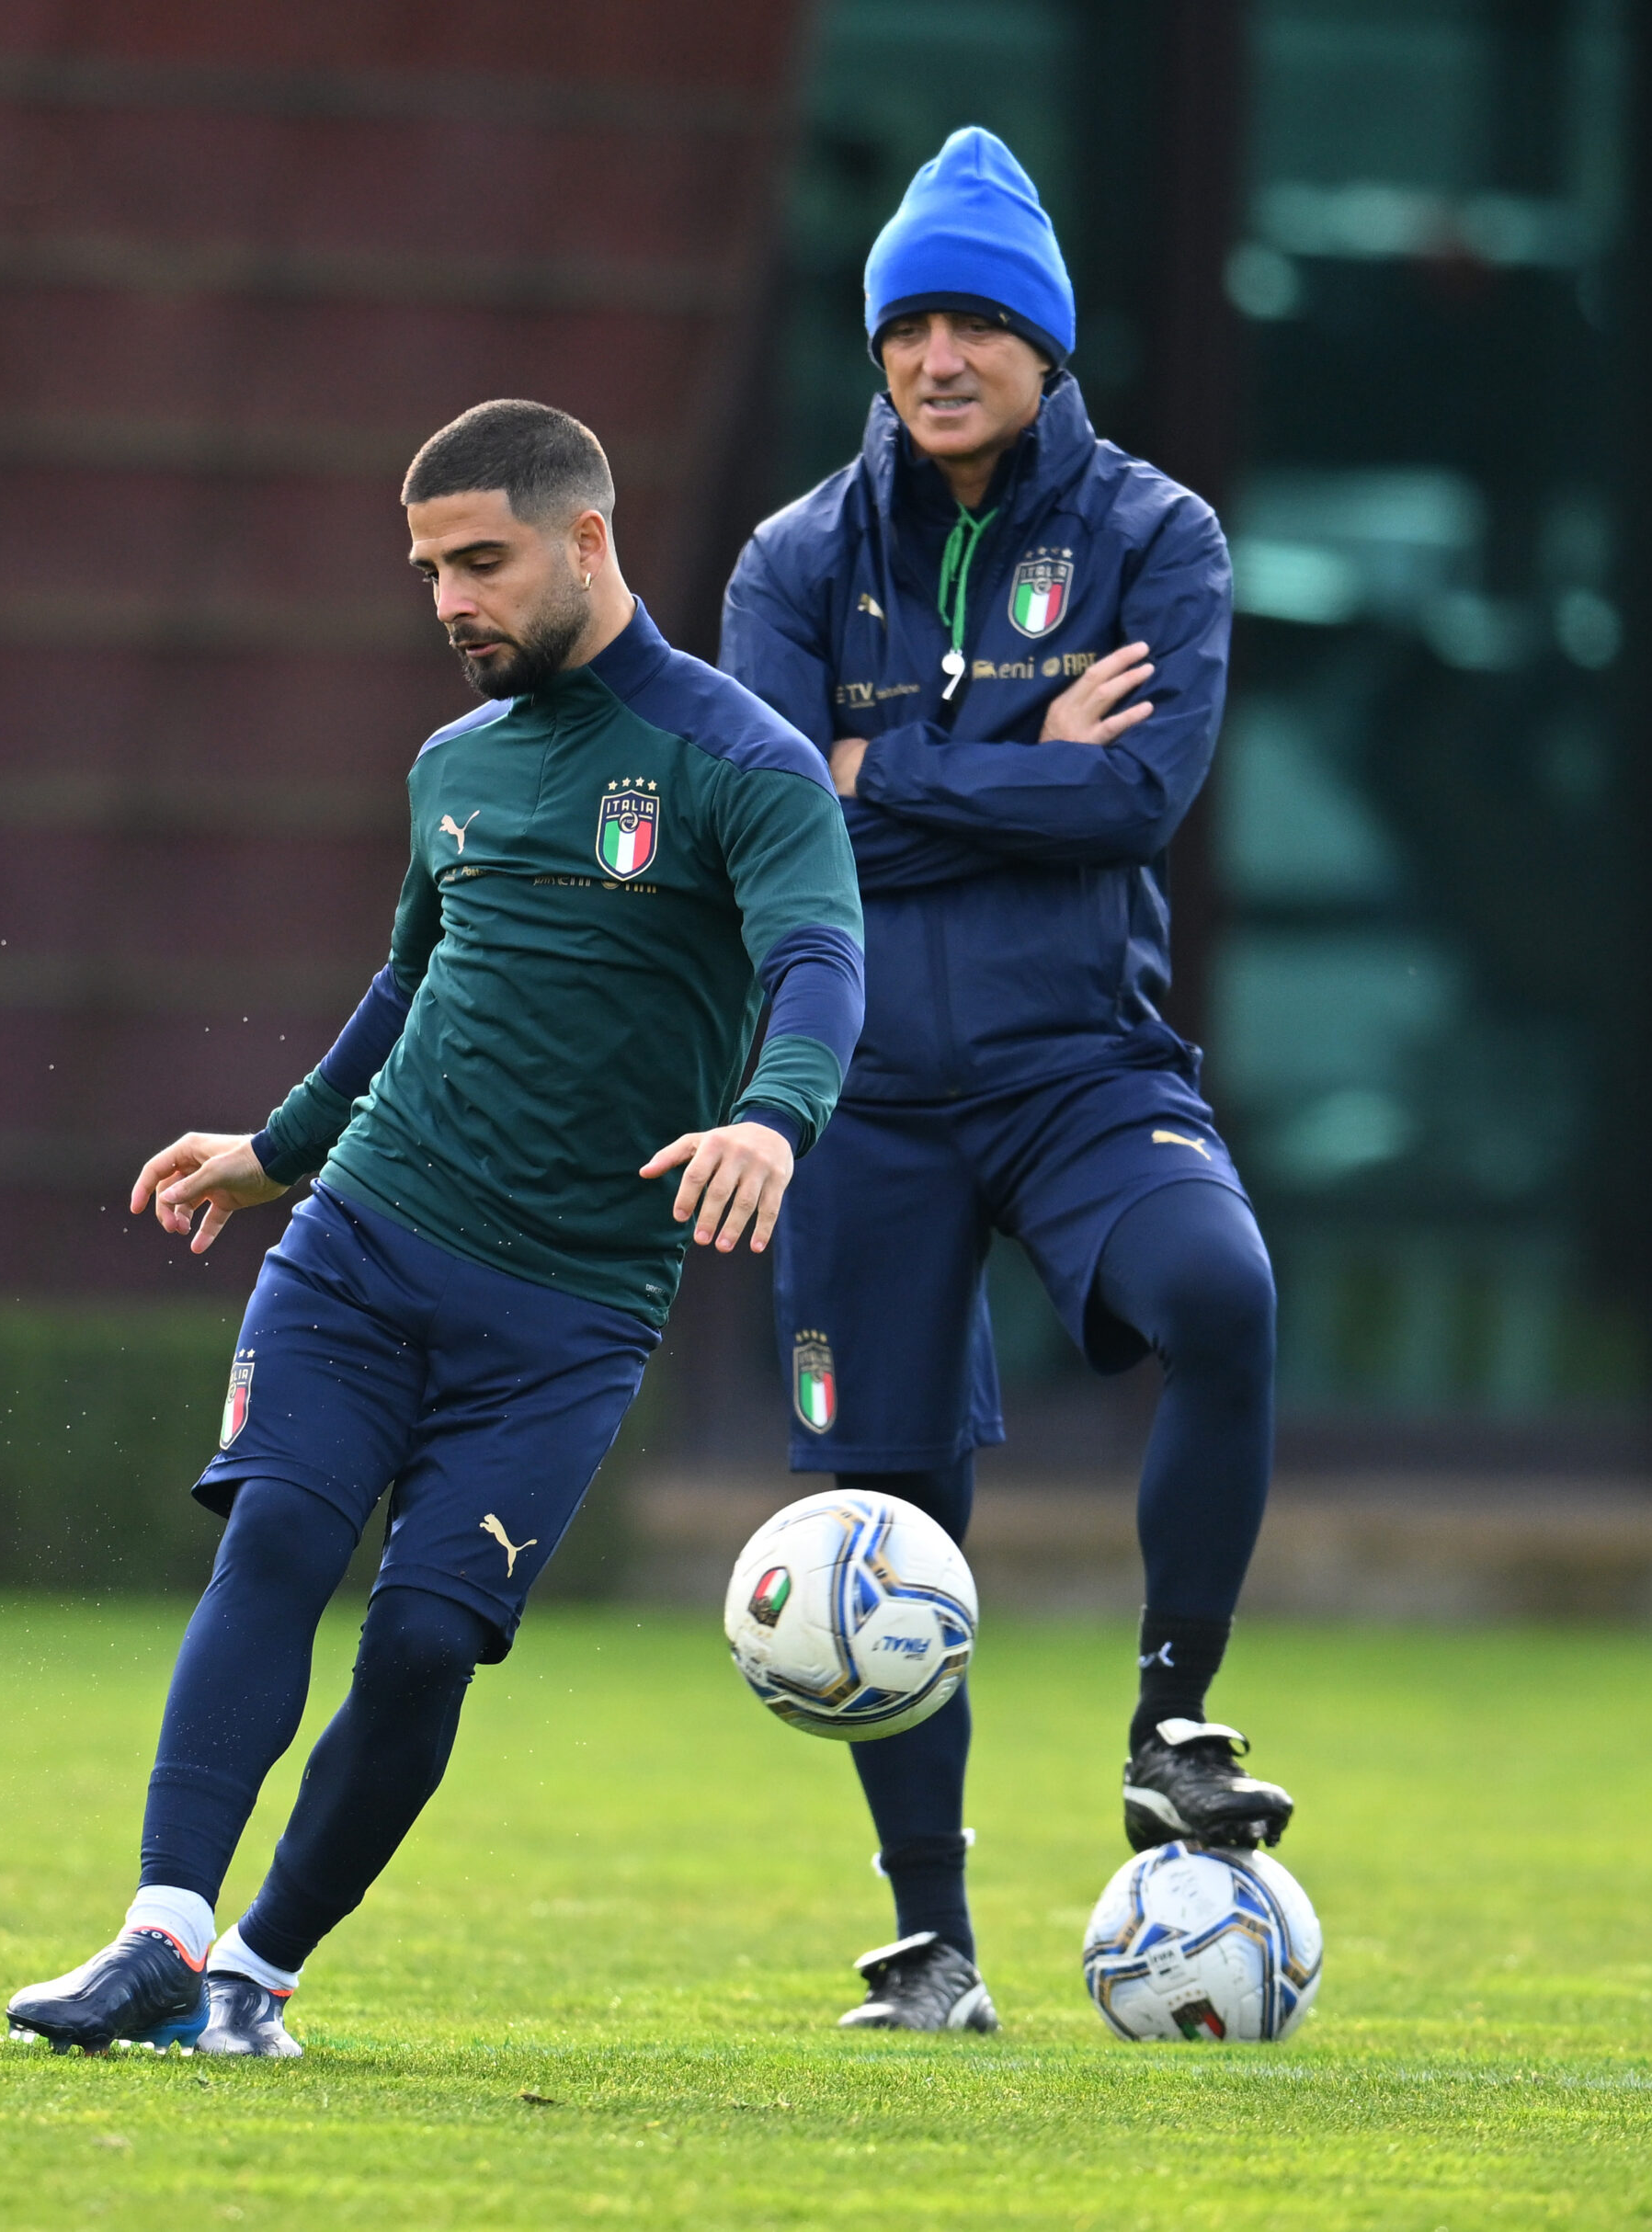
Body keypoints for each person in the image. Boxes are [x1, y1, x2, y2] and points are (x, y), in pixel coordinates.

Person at [7, 400, 863, 2056]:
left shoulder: (741, 763)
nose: (449, 598)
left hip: (569, 1315)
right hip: (363, 1243)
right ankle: (160, 1936)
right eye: (427, 569)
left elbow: (820, 964)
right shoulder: (451, 769)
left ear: (588, 541)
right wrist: (276, 1150)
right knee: (275, 1542)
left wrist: (774, 1116)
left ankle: (255, 1978)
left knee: (417, 1647)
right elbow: (406, 984)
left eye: (481, 560)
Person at [722, 128, 1291, 2036]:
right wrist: (1002, 751)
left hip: (1074, 1063)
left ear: (1044, 349)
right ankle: (929, 1942)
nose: (937, 355)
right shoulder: (795, 556)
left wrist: (898, 772)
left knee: (1218, 1295)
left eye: (976, 322)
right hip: (856, 1088)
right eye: (908, 325)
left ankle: (1171, 1719)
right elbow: (769, 829)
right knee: (887, 1514)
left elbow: (1136, 796)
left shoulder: (1153, 536)